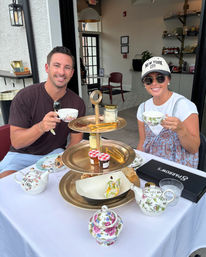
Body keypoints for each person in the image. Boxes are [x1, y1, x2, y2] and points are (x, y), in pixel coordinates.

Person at [0, 46, 86, 178]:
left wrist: (63, 159)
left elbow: (76, 140)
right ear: (47, 68)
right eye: (56, 65)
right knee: (6, 185)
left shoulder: (77, 103)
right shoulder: (25, 96)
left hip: (55, 154)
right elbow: (17, 142)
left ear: (72, 72)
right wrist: (41, 127)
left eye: (67, 67)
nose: (62, 72)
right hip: (21, 156)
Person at [137, 56, 200, 168]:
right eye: (148, 80)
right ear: (144, 84)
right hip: (151, 165)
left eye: (160, 78)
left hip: (178, 168)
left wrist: (181, 129)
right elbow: (142, 142)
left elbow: (194, 148)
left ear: (169, 79)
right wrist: (136, 163)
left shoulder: (184, 106)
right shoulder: (143, 108)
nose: (154, 83)